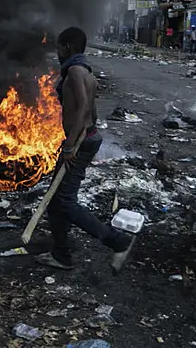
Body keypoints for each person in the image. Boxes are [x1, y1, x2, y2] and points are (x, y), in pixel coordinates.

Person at [36, 27, 133, 272]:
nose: (57, 53)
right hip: (84, 138)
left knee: (65, 201)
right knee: (57, 199)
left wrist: (71, 146)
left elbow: (80, 110)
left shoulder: (76, 72)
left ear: (67, 46)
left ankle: (118, 242)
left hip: (79, 143)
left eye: (59, 47)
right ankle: (61, 253)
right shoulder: (87, 72)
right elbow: (92, 111)